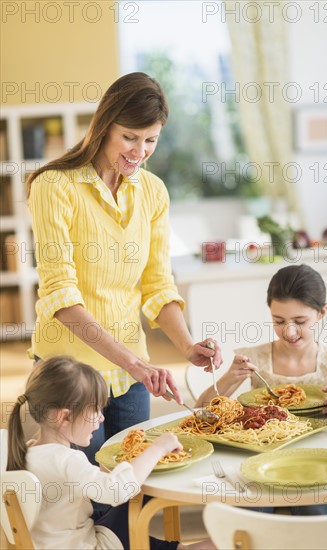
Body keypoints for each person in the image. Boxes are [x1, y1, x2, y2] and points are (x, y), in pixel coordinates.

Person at [27, 72, 222, 462]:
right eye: (130, 137)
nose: (140, 151)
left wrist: (186, 345)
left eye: (150, 140)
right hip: (71, 374)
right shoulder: (54, 186)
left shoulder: (153, 192)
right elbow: (60, 295)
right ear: (104, 126)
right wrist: (135, 363)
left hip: (132, 375)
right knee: (84, 497)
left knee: (135, 485)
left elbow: (157, 283)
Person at [195, 264, 327, 515]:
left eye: (300, 321)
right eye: (279, 321)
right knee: (253, 515)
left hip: (316, 463)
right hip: (258, 464)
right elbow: (200, 410)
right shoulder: (253, 358)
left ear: (322, 313)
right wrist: (229, 378)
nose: (289, 331)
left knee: (310, 514)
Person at [7, 356, 215, 550]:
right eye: (95, 410)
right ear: (65, 417)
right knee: (137, 496)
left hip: (56, 541)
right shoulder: (67, 460)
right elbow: (117, 491)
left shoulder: (27, 449)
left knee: (122, 501)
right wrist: (158, 447)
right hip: (85, 545)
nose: (101, 418)